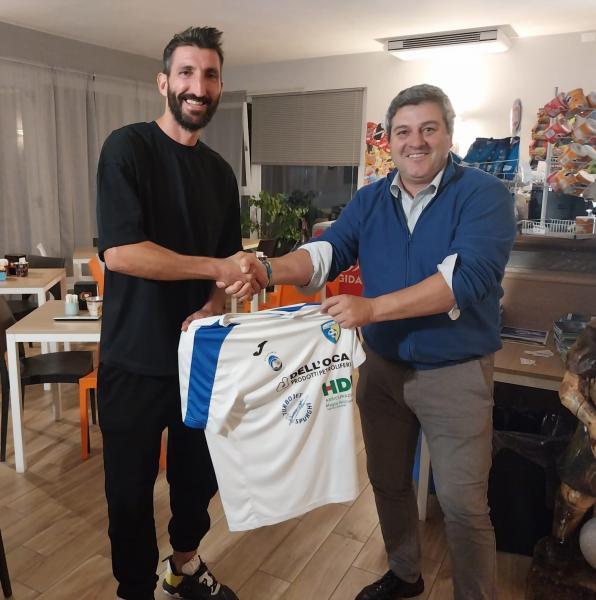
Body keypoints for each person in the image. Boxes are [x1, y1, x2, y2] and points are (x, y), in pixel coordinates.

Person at [227, 84, 516, 600]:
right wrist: (267, 270)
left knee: (463, 503)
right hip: (382, 369)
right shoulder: (371, 199)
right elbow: (327, 251)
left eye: (428, 129)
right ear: (390, 140)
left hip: (456, 372)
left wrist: (372, 308)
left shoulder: (484, 195)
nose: (415, 142)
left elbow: (464, 279)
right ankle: (405, 574)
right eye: (404, 131)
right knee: (387, 480)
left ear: (449, 134)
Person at [96, 26, 264, 600]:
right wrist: (215, 267)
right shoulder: (127, 148)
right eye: (187, 72)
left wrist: (216, 297)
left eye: (210, 75)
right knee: (128, 492)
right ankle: (134, 590)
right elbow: (121, 252)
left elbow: (223, 270)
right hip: (133, 359)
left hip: (199, 359)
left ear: (219, 88)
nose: (199, 85)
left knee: (196, 479)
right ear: (164, 82)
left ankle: (185, 567)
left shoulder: (220, 173)